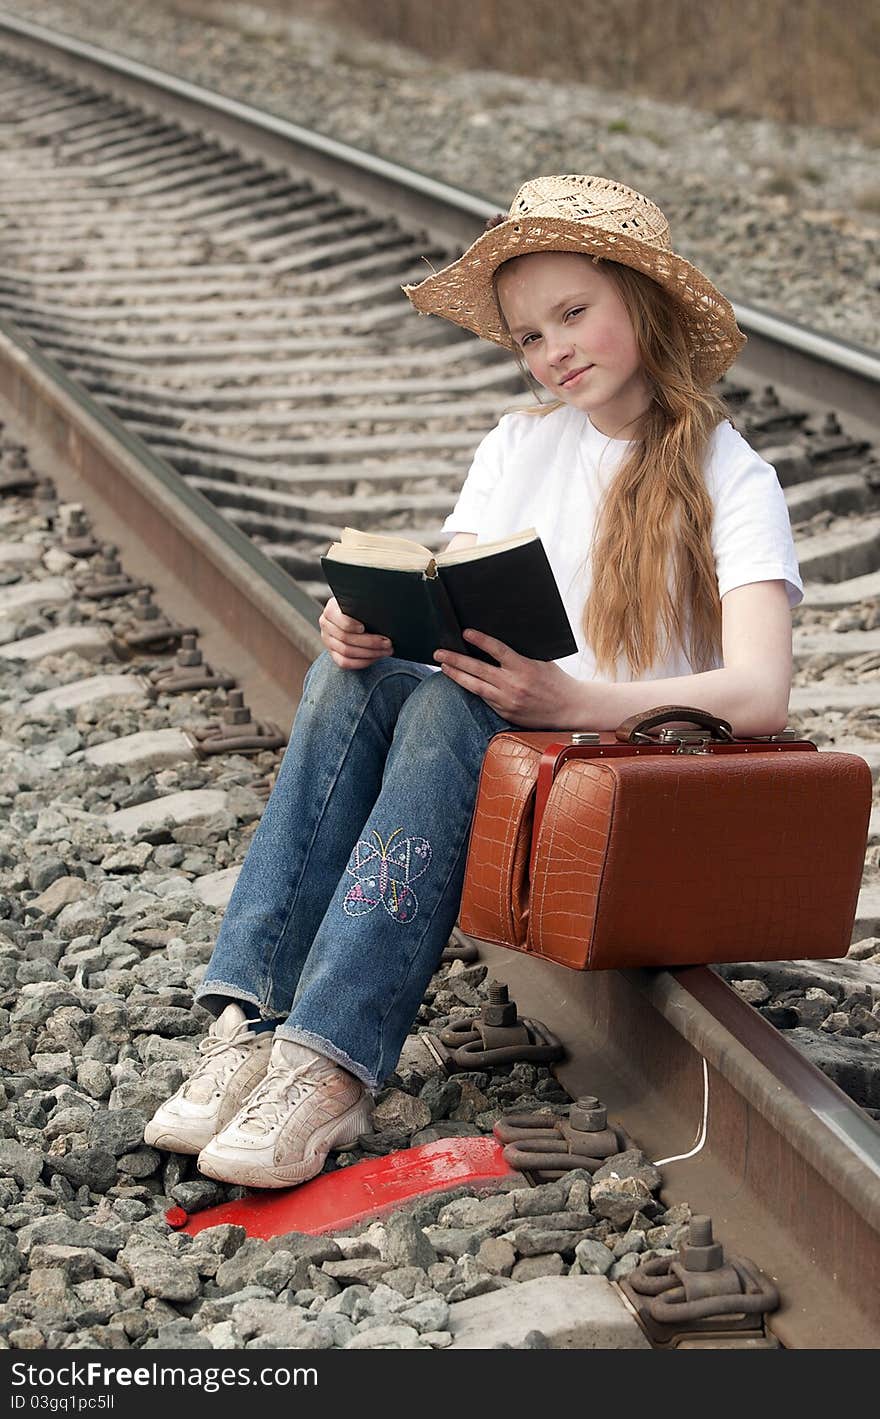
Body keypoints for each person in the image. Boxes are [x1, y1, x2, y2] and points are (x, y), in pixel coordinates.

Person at [143, 173, 802, 1189]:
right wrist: (364, 627)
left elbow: (761, 695)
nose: (553, 352)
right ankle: (250, 1022)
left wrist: (575, 703)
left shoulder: (728, 473)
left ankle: (329, 1060)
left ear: (645, 299)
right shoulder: (517, 441)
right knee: (354, 680)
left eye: (573, 314)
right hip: (512, 734)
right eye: (530, 336)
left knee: (453, 700)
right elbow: (445, 605)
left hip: (620, 760)